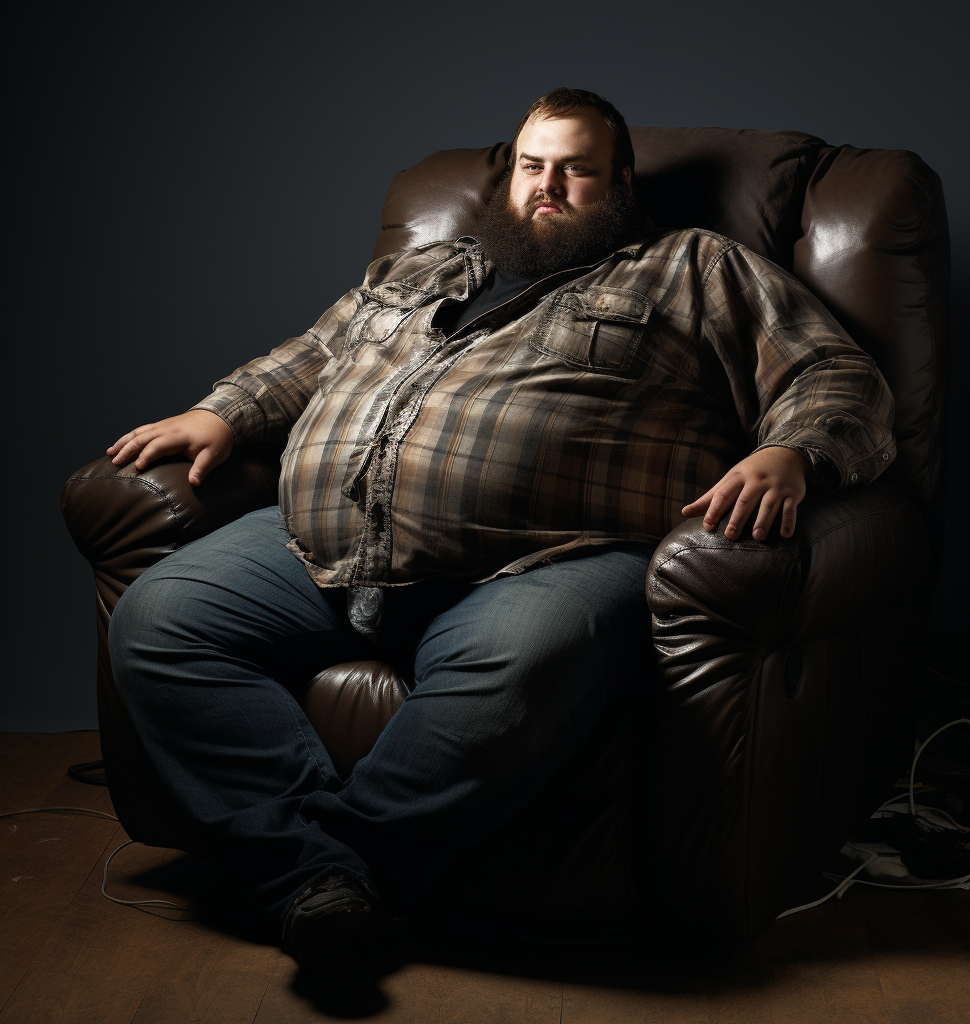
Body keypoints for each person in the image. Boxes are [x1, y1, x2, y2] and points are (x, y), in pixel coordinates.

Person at [106, 88, 896, 970]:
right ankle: (317, 879)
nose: (546, 186)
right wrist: (225, 412)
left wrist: (794, 453)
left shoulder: (693, 267)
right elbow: (314, 355)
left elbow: (835, 375)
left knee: (516, 670)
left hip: (549, 561)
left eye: (574, 169)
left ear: (621, 182)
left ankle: (327, 873)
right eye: (530, 166)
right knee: (158, 619)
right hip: (325, 544)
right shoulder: (423, 268)